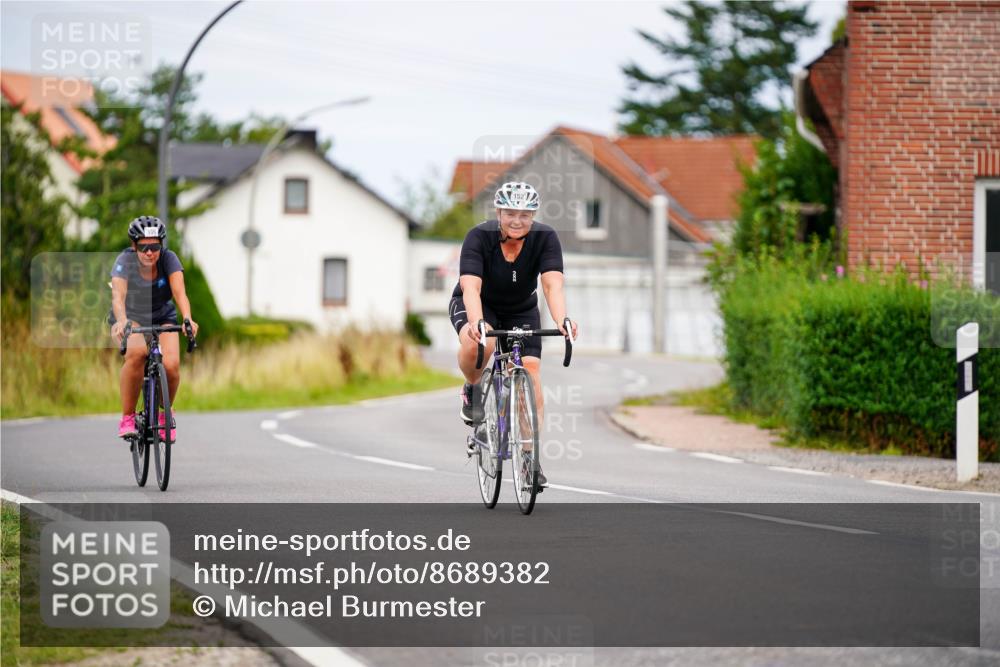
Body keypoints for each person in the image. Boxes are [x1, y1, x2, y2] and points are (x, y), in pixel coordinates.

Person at [449, 182, 578, 487]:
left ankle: (530, 461)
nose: (518, 220)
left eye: (525, 214)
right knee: (482, 341)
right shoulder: (479, 237)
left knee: (531, 376)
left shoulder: (545, 238)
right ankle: (472, 387)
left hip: (521, 309)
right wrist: (478, 324)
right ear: (499, 212)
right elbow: (471, 287)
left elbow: (552, 286)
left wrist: (562, 320)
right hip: (480, 305)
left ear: (533, 215)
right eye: (510, 213)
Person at [109, 216, 198, 440]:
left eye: (155, 247)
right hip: (132, 318)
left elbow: (180, 293)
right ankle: (127, 417)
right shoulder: (124, 261)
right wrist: (121, 320)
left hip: (162, 317)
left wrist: (187, 318)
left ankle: (163, 412)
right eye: (144, 247)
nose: (150, 252)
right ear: (134, 246)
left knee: (172, 365)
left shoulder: (169, 259)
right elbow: (118, 297)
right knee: (137, 353)